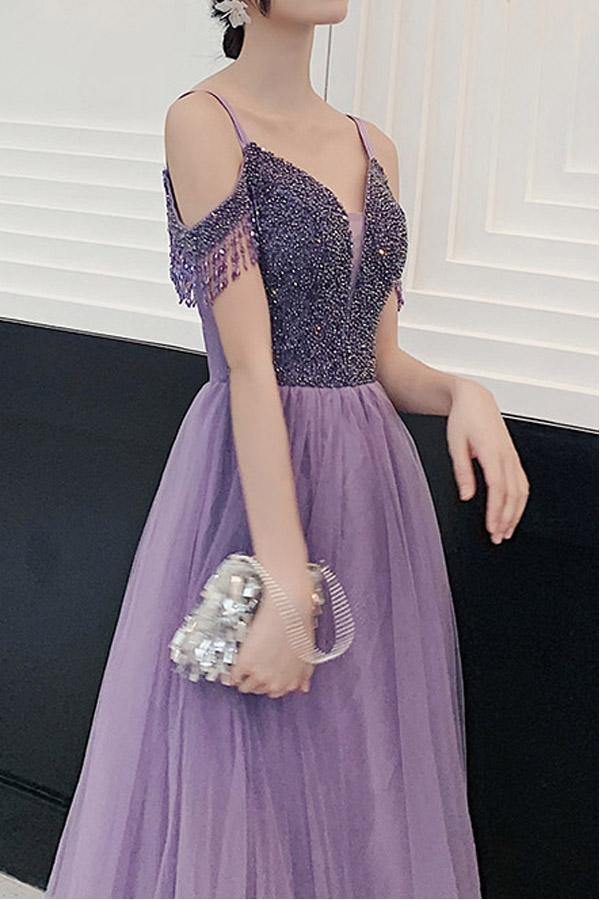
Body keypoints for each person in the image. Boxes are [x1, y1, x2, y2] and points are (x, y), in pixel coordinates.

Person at [44, 1, 529, 897]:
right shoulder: (204, 122)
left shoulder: (373, 146)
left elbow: (378, 360)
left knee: (358, 760)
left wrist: (466, 393)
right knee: (247, 759)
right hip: (257, 483)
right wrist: (285, 582)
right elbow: (249, 365)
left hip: (371, 490)